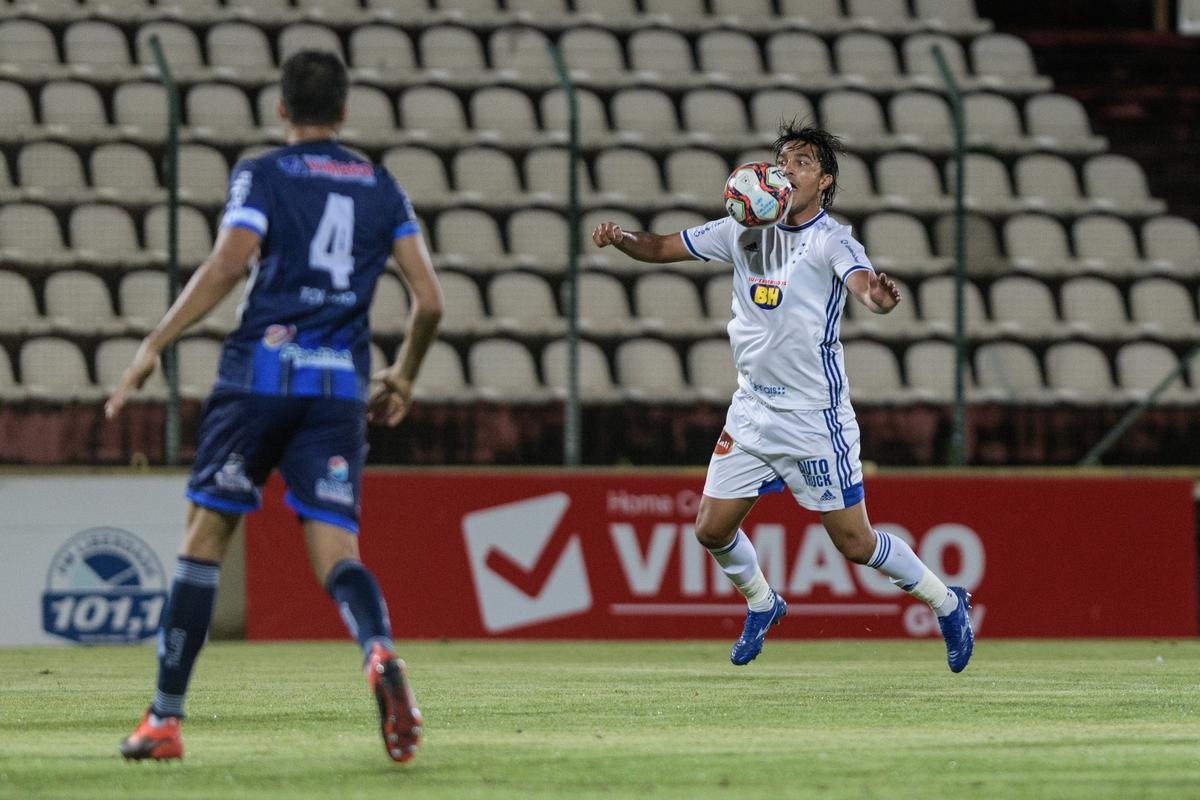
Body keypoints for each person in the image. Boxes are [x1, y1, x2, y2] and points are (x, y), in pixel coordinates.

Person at [106, 50, 443, 762]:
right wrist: (405, 377)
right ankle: (378, 652)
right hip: (337, 391)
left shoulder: (261, 173)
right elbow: (430, 301)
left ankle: (164, 720)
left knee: (205, 540)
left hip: (259, 377)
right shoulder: (381, 187)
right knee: (337, 554)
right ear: (345, 111)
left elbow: (229, 263)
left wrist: (153, 343)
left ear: (282, 108)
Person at [591, 123, 974, 672]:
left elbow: (864, 284)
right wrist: (621, 238)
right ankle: (763, 604)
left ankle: (946, 602)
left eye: (800, 162)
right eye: (782, 160)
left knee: (855, 542)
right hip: (752, 410)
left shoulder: (832, 239)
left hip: (814, 417)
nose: (786, 169)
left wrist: (881, 299)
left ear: (824, 181)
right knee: (710, 528)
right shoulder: (741, 228)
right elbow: (661, 246)